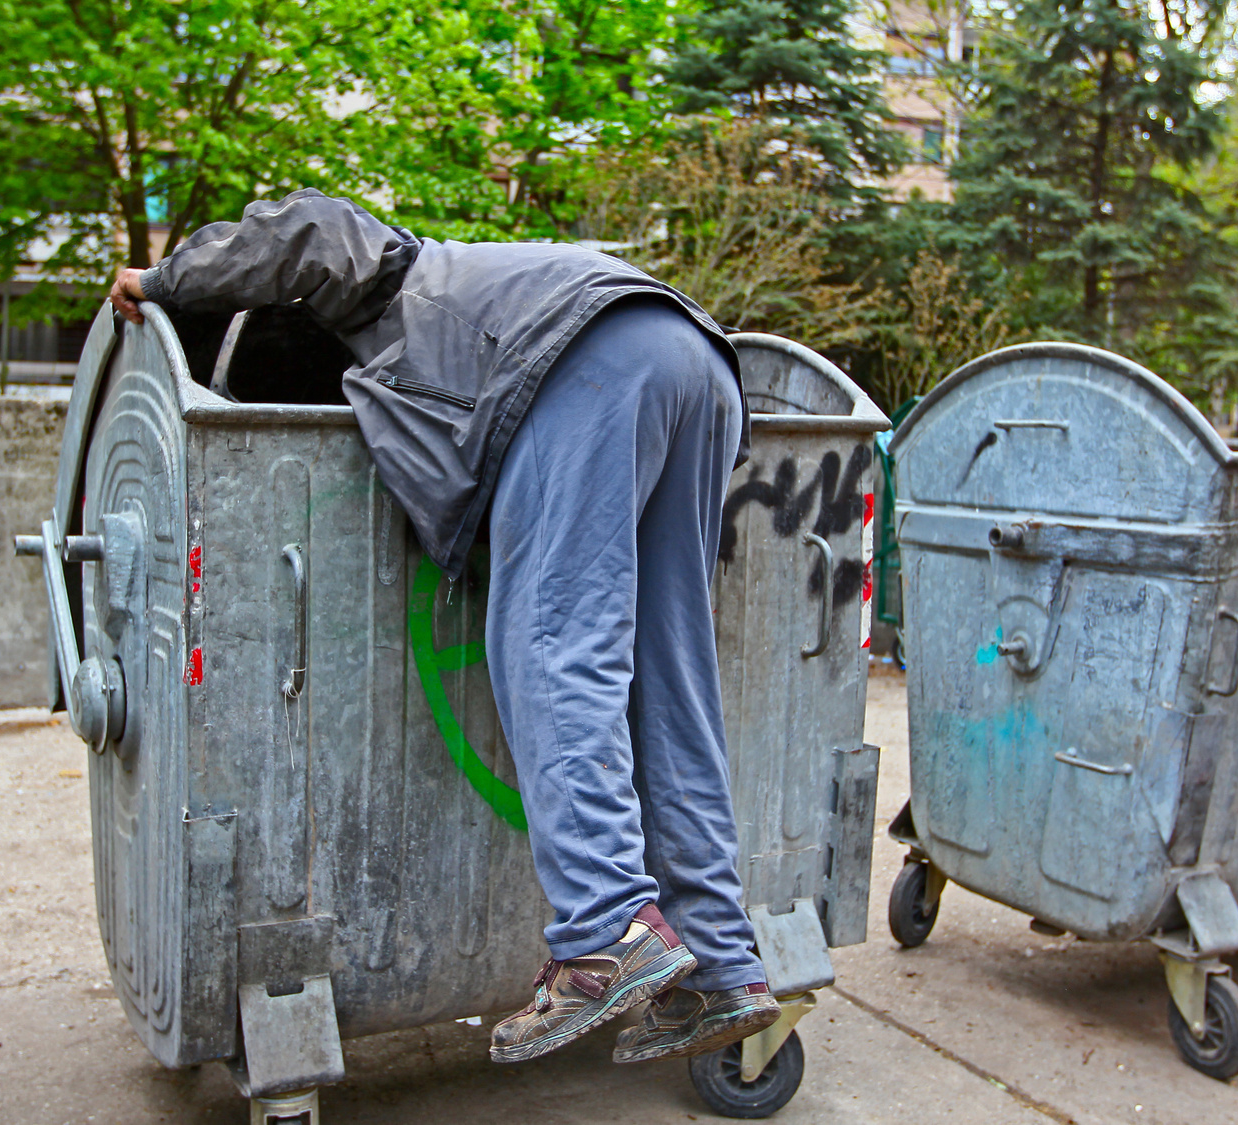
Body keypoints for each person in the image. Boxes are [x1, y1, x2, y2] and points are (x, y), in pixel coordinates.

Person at [108, 188, 779, 1065]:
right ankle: (721, 964)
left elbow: (309, 227)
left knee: (549, 648)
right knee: (672, 676)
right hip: (696, 362)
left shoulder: (398, 274)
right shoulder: (482, 289)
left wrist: (164, 279)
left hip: (586, 364)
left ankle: (606, 931)